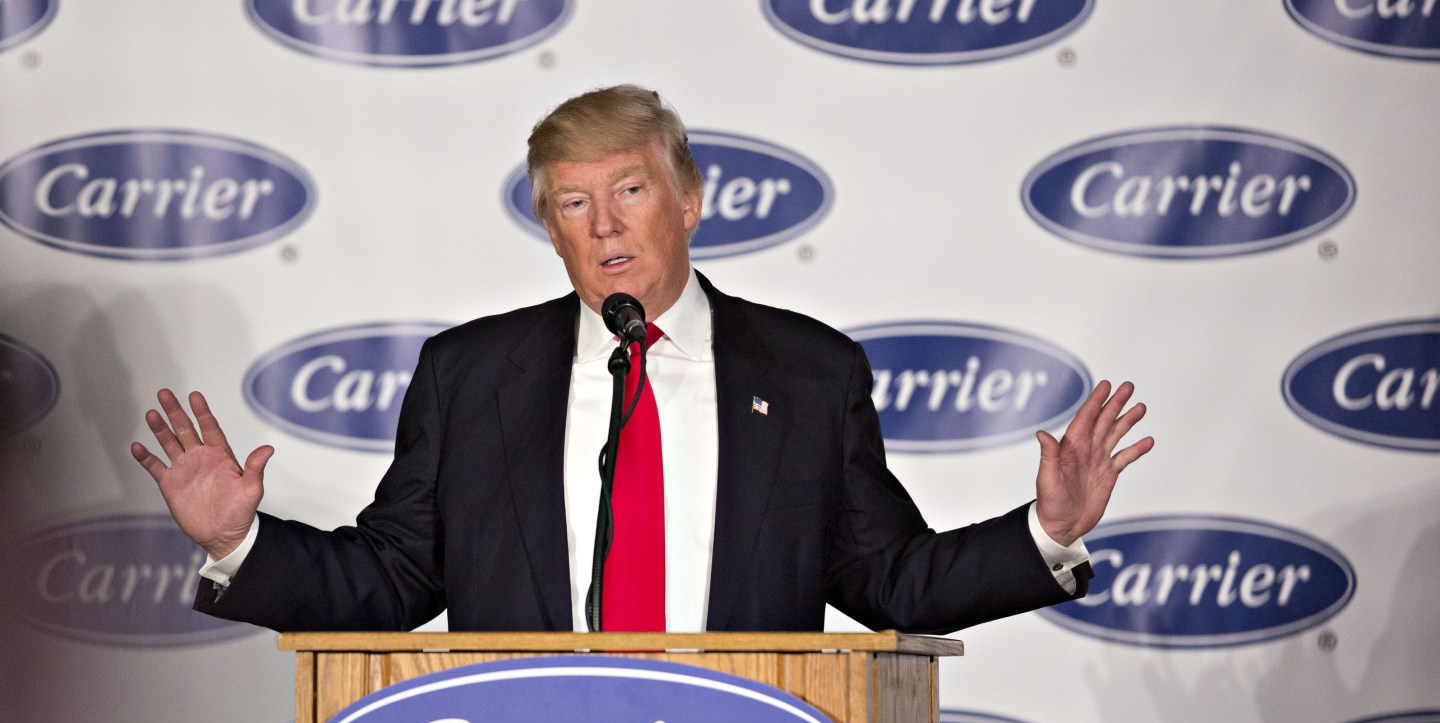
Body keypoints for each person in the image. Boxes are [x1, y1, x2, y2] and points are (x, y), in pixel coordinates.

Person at [130, 85, 1153, 635]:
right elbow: (397, 579)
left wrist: (1047, 532)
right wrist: (242, 545)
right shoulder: (470, 376)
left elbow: (891, 580)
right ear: (549, 226)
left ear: (690, 200)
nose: (605, 224)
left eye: (630, 191)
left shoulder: (807, 374)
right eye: (573, 202)